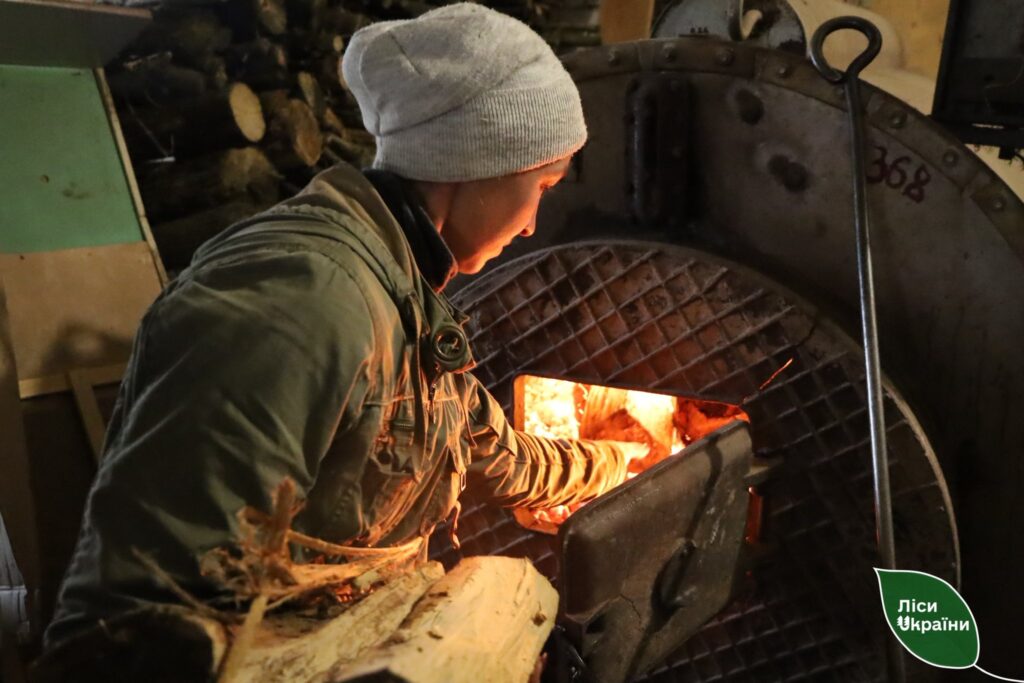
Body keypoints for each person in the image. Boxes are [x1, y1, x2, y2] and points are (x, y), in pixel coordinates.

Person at [44, 2, 643, 648]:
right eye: (544, 186)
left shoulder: (401, 295)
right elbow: (145, 620)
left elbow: (494, 452)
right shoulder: (303, 299)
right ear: (478, 160)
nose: (531, 226)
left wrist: (616, 463)